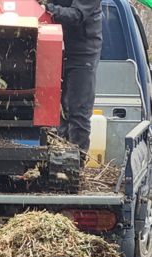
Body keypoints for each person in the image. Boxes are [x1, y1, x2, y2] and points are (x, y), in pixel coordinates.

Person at [46, 0, 103, 155]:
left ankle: (76, 163)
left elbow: (77, 15)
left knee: (78, 111)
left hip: (83, 52)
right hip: (56, 47)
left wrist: (47, 8)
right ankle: (58, 156)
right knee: (56, 111)